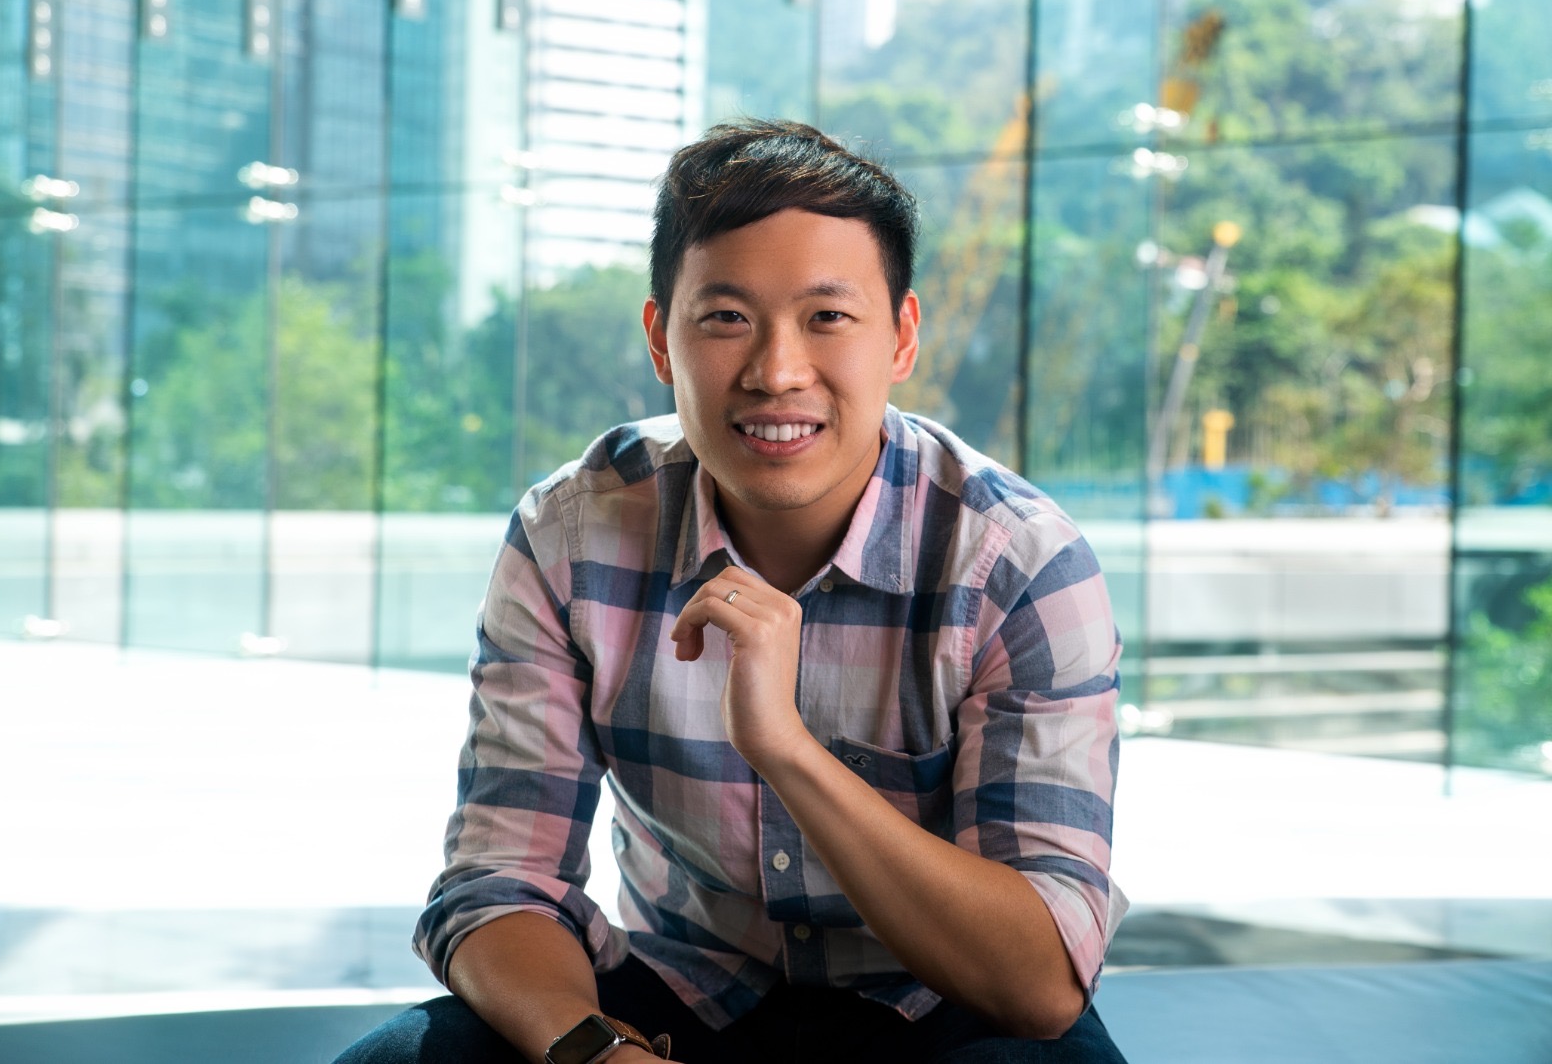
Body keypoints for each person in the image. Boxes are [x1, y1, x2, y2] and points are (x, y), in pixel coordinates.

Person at [336, 119, 1127, 1064]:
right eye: (725, 318)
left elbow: (1037, 981)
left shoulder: (1016, 563)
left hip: (940, 1006)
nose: (775, 372)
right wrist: (595, 1052)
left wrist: (785, 748)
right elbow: (499, 883)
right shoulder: (573, 534)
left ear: (902, 336)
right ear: (660, 341)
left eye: (828, 317)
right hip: (680, 994)